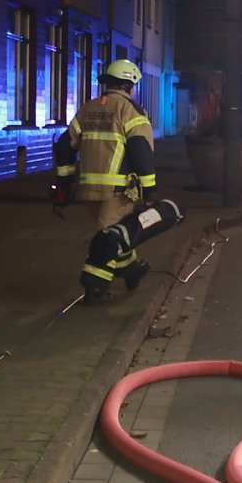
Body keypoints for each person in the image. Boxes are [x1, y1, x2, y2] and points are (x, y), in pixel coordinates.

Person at [53, 59, 157, 306]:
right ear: (130, 85)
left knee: (113, 233)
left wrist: (65, 179)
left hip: (88, 188)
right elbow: (141, 152)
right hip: (118, 190)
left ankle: (132, 270)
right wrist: (150, 189)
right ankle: (94, 285)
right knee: (109, 238)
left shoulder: (88, 109)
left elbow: (65, 146)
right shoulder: (131, 111)